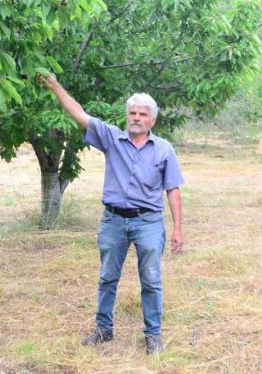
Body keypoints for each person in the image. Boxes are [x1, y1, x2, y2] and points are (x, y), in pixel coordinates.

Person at [39, 73, 183, 355]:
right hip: (113, 220)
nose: (136, 118)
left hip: (149, 221)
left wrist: (178, 229)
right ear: (126, 116)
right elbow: (79, 114)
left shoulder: (164, 149)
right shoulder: (111, 139)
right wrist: (56, 86)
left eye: (143, 114)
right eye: (132, 113)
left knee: (151, 281)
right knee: (107, 277)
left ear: (152, 120)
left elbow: (173, 190)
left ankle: (152, 335)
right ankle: (104, 330)